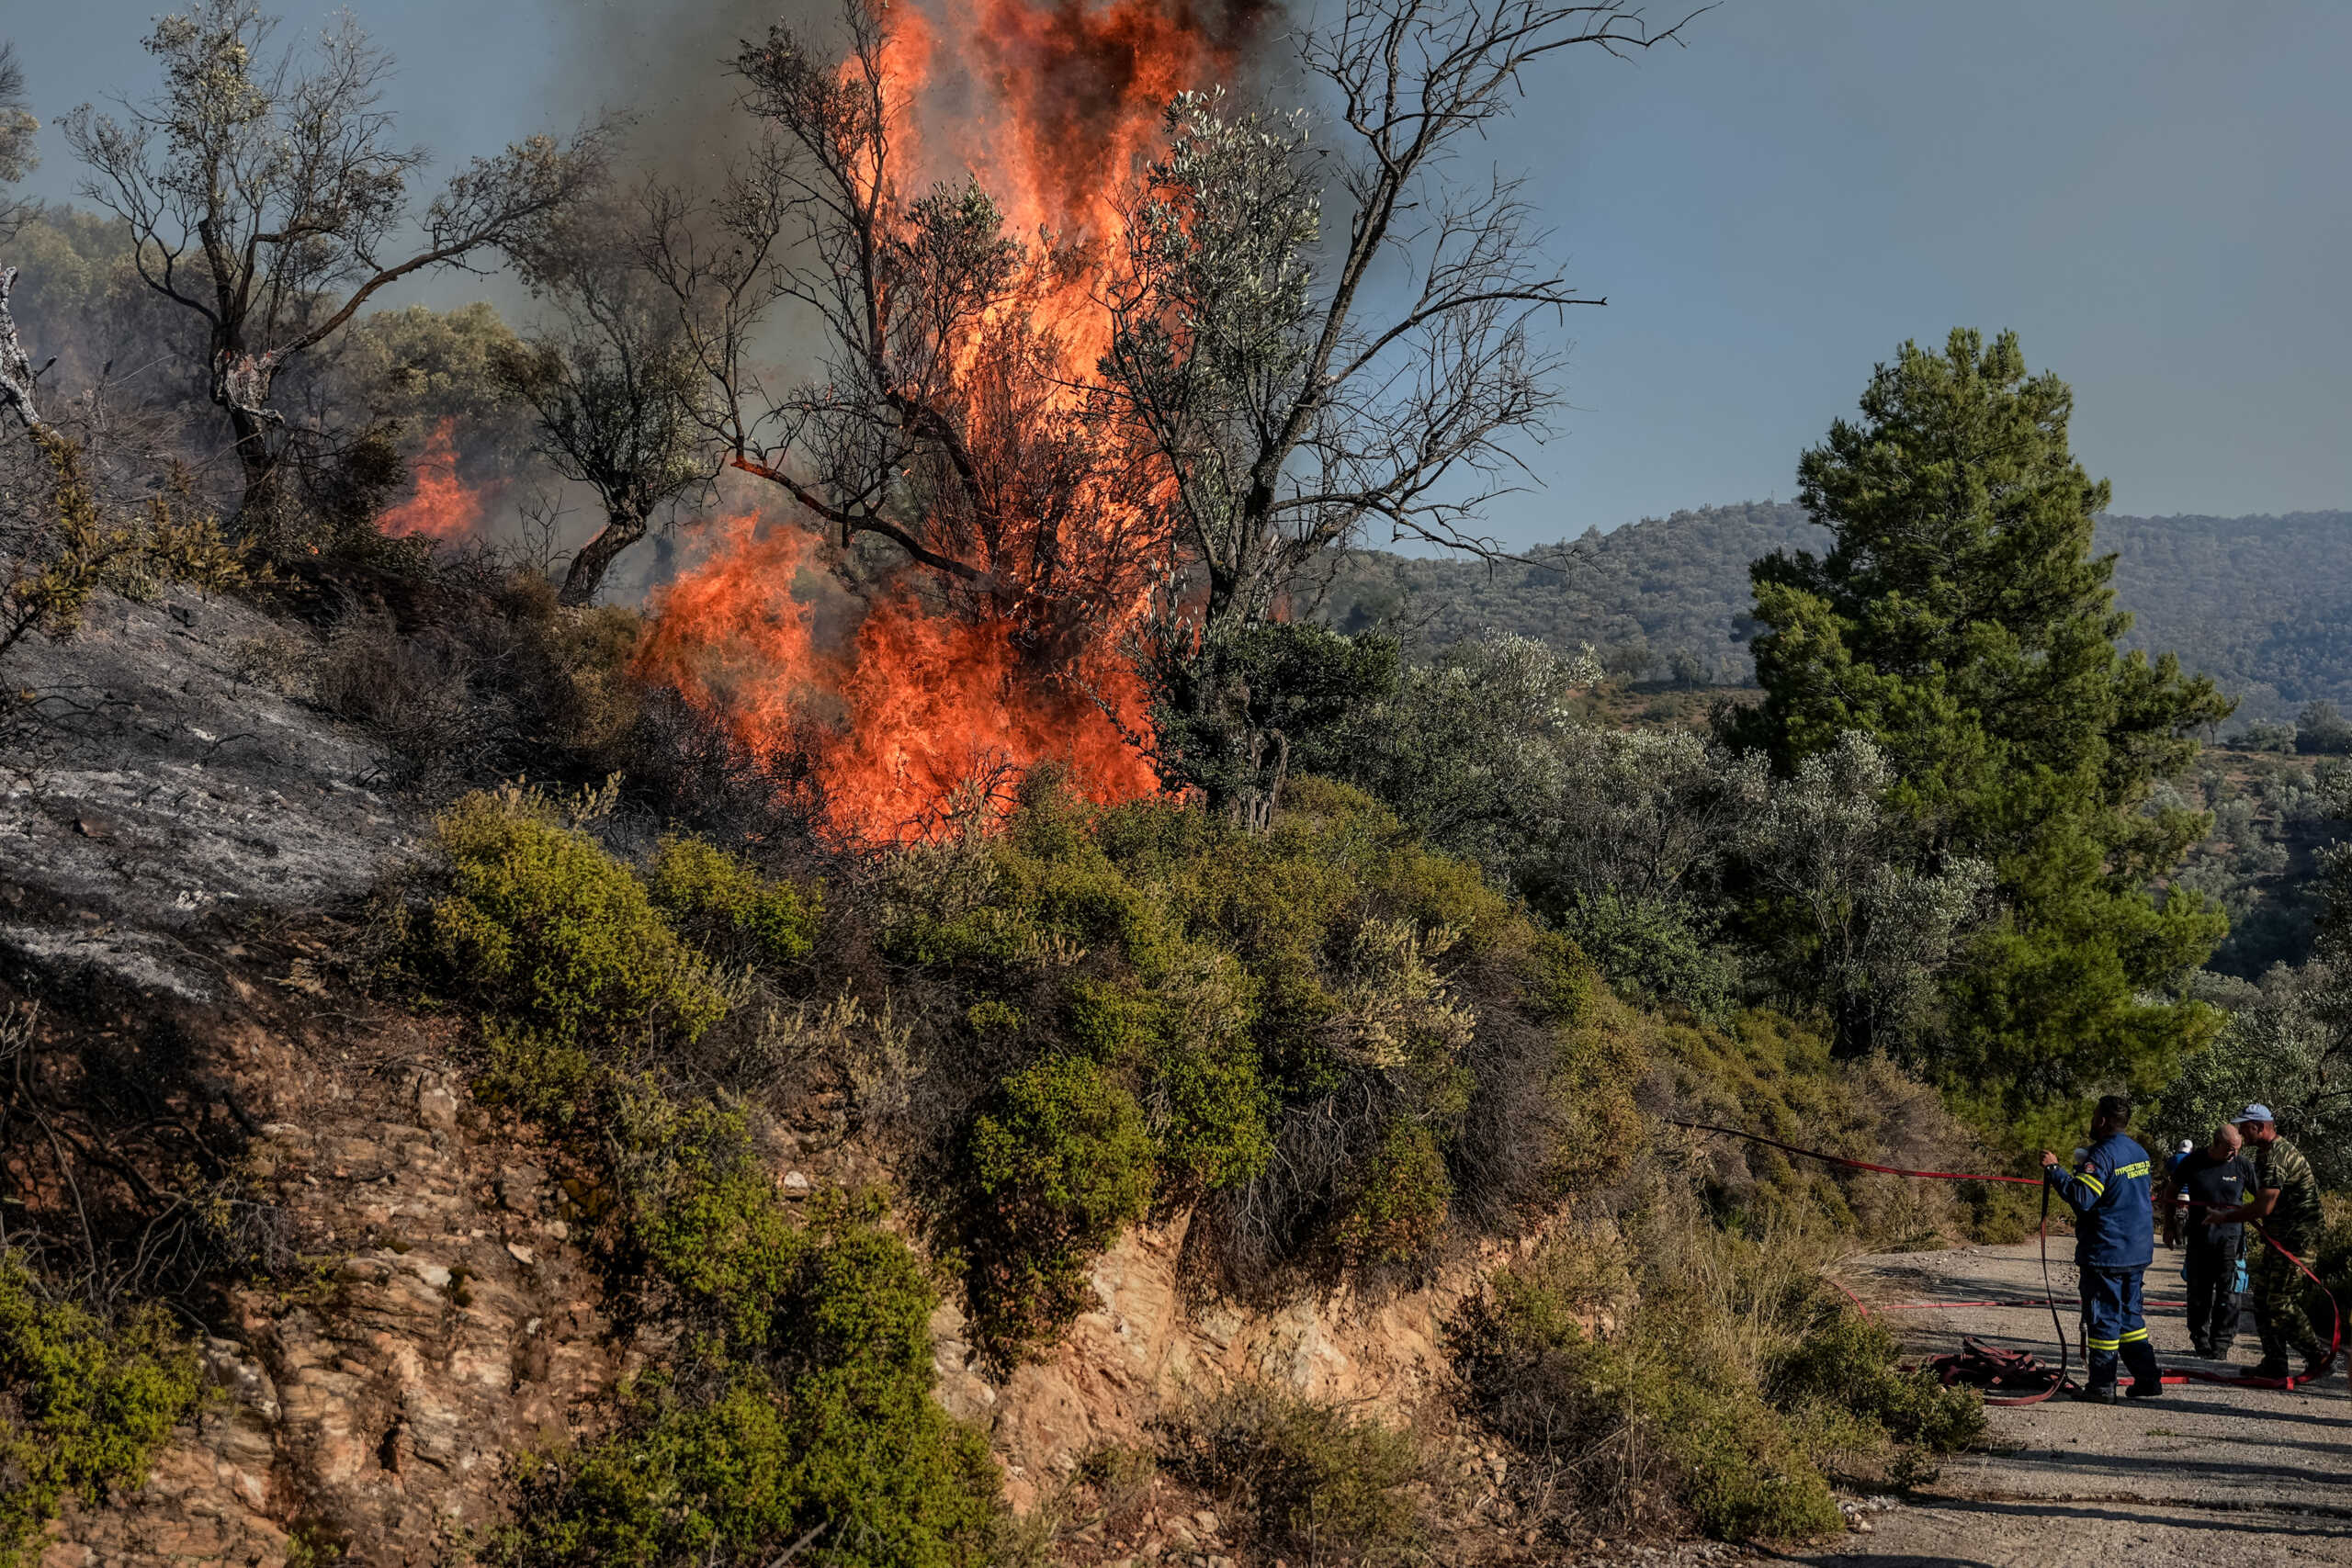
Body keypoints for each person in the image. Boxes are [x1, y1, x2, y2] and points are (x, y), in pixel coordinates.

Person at [2042, 1094, 2162, 1402]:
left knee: (2103, 1318)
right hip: (2136, 1251)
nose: (2092, 1120)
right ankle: (2148, 1379)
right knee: (2130, 1319)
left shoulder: (2103, 1155)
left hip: (2108, 1252)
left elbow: (2083, 1198)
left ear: (2103, 1120)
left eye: (2095, 1115)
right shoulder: (2138, 1152)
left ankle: (2101, 1386)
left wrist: (2056, 1171)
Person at [2210, 1104, 2332, 1381]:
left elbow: (2264, 1206)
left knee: (2279, 1301)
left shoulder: (2277, 1156)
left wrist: (2224, 1217)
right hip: (2282, 1238)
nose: (2241, 1131)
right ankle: (2275, 1363)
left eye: (2245, 1127)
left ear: (2261, 1126)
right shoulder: (2267, 1153)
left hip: (2298, 1240)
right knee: (2263, 1300)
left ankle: (2318, 1357)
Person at [2169, 1123, 2254, 1359]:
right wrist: (2168, 1225)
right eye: (2229, 1149)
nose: (2233, 1154)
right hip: (2199, 1238)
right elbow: (2172, 1190)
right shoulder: (2193, 1161)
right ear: (2215, 1143)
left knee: (2229, 1293)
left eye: (2237, 1149)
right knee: (2199, 1293)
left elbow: (2263, 1198)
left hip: (2231, 1240)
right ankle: (2201, 1340)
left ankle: (2222, 1343)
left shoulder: (2243, 1165)